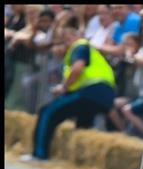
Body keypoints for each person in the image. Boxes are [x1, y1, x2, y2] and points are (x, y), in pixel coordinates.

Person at [23, 16, 116, 161]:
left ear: (74, 36)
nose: (65, 42)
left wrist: (63, 87)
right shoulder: (86, 50)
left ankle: (39, 154)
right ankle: (81, 162)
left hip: (90, 91)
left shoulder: (79, 46)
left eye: (66, 38)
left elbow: (77, 68)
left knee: (47, 112)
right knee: (83, 125)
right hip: (104, 95)